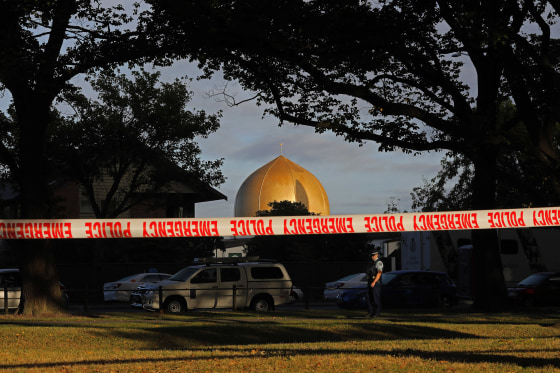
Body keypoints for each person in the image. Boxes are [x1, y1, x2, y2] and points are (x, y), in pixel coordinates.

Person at [366, 247, 383, 317]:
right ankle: (371, 312)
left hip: (376, 282)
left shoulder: (379, 263)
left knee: (375, 297)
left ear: (376, 255)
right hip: (370, 281)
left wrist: (374, 282)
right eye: (371, 255)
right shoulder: (371, 263)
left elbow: (379, 273)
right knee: (369, 297)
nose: (372, 257)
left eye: (373, 255)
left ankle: (377, 313)